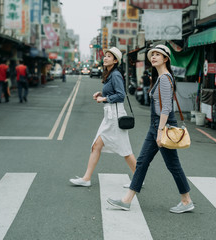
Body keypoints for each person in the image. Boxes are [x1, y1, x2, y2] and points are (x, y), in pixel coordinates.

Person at [107, 45, 194, 214]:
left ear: (166, 59)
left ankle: (186, 200)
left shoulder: (165, 79)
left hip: (162, 126)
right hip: (156, 126)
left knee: (173, 165)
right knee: (142, 162)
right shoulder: (161, 77)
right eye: (152, 55)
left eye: (157, 55)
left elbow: (166, 107)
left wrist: (160, 132)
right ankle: (127, 200)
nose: (153, 57)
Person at [69, 47, 137, 187]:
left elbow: (121, 95)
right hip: (110, 115)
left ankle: (138, 178)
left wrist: (104, 99)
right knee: (97, 146)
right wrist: (101, 94)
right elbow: (113, 92)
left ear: (115, 60)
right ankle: (86, 178)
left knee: (125, 150)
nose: (105, 58)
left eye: (109, 56)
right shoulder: (110, 74)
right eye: (105, 56)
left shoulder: (116, 74)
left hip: (115, 116)